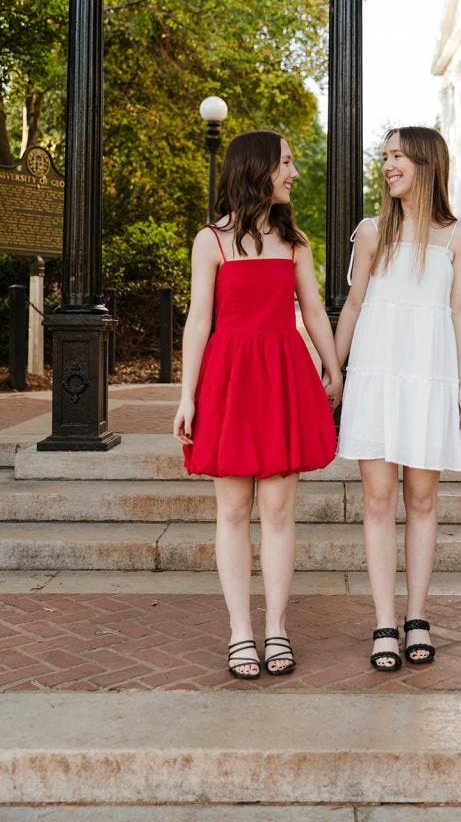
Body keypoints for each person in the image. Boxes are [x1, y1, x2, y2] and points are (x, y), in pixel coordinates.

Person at [174, 130, 341, 680]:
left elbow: (314, 312)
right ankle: (240, 631)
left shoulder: (296, 242)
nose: (294, 173)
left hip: (282, 377)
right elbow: (199, 321)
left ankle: (277, 628)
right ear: (258, 170)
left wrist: (333, 367)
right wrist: (187, 395)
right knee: (231, 510)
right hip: (229, 380)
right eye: (287, 163)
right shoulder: (211, 241)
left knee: (276, 512)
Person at [335, 126, 461, 671]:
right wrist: (335, 370)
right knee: (377, 501)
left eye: (398, 156)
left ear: (425, 163)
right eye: (386, 156)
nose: (388, 165)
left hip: (429, 380)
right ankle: (383, 623)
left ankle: (417, 617)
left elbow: (459, 310)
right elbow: (351, 307)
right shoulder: (372, 232)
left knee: (421, 500)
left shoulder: (456, 235)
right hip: (377, 377)